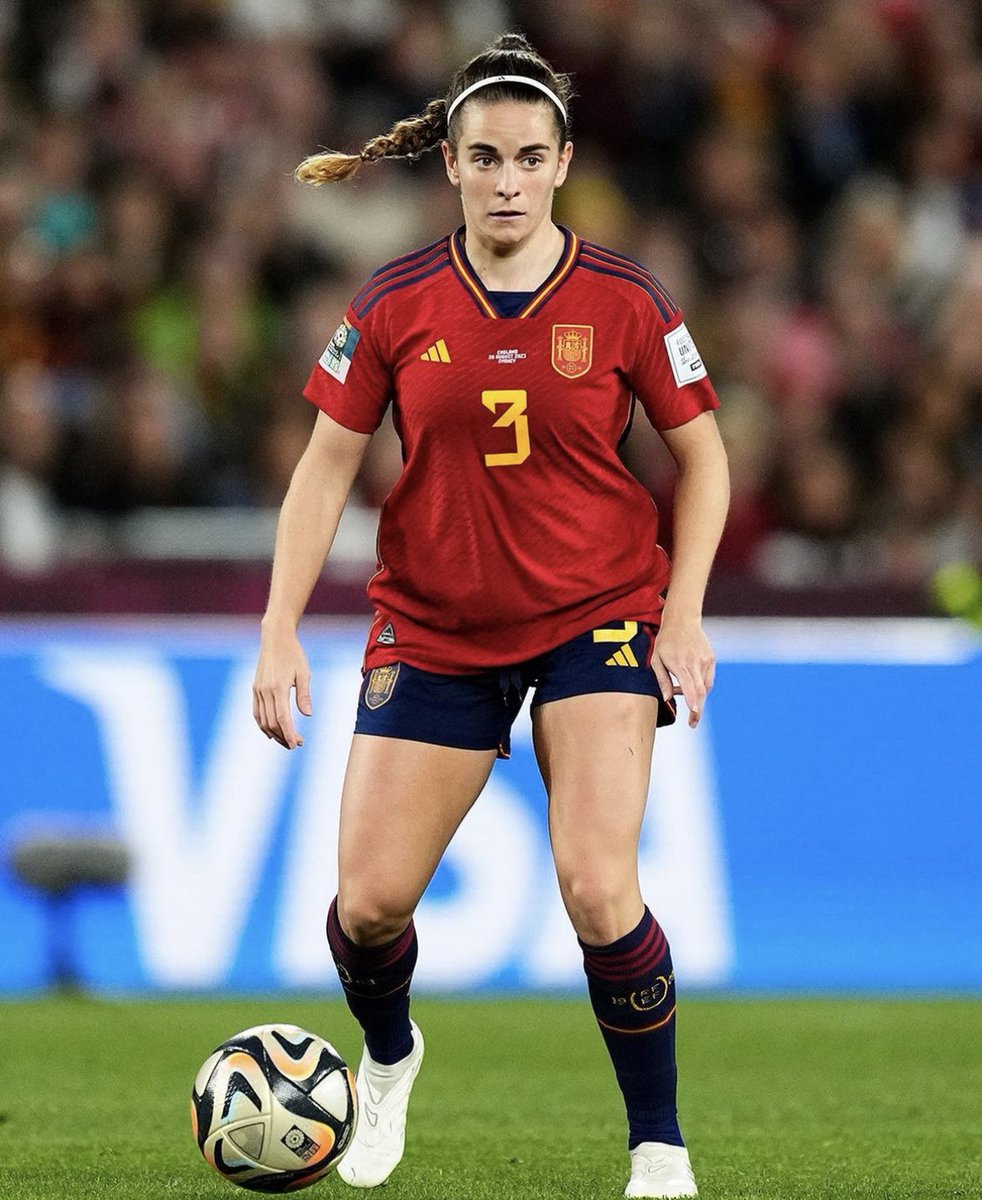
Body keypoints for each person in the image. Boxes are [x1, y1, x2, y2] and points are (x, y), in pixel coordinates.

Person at [253, 32, 729, 1200]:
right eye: (483, 159)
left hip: (596, 615)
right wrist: (275, 631)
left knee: (597, 886)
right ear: (450, 167)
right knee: (366, 908)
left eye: (527, 157)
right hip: (436, 624)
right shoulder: (397, 301)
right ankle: (389, 1057)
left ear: (562, 161)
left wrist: (681, 616)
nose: (506, 181)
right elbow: (323, 470)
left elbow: (705, 463)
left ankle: (657, 1147)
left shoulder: (624, 301)